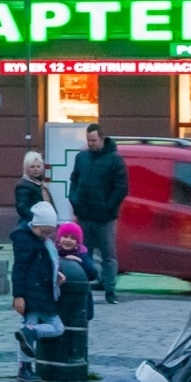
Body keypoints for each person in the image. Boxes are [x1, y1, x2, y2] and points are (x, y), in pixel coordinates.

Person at [69, 123, 128, 303]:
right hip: (85, 215)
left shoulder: (115, 159)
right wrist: (74, 200)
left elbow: (122, 187)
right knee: (83, 253)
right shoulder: (81, 158)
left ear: (102, 139)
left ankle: (110, 290)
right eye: (88, 140)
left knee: (108, 256)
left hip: (105, 218)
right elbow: (74, 180)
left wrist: (109, 207)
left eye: (94, 140)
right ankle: (84, 289)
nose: (91, 144)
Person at [11, 200, 67, 382]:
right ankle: (26, 362)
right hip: (32, 294)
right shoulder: (26, 241)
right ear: (35, 225)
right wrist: (18, 296)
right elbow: (19, 269)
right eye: (43, 231)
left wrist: (55, 274)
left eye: (50, 232)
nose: (47, 235)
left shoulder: (41, 241)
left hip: (41, 292)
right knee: (56, 327)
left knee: (32, 329)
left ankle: (25, 363)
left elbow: (42, 264)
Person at [56, 220, 97, 323]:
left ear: (77, 242)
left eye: (73, 238)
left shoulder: (81, 252)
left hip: (78, 296)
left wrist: (79, 263)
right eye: (65, 236)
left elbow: (93, 274)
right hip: (59, 295)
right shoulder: (54, 252)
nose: (68, 240)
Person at [15, 151, 53, 225]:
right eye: (32, 166)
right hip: (31, 224)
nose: (36, 169)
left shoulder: (41, 184)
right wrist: (37, 218)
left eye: (38, 166)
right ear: (26, 168)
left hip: (43, 222)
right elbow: (22, 208)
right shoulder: (23, 185)